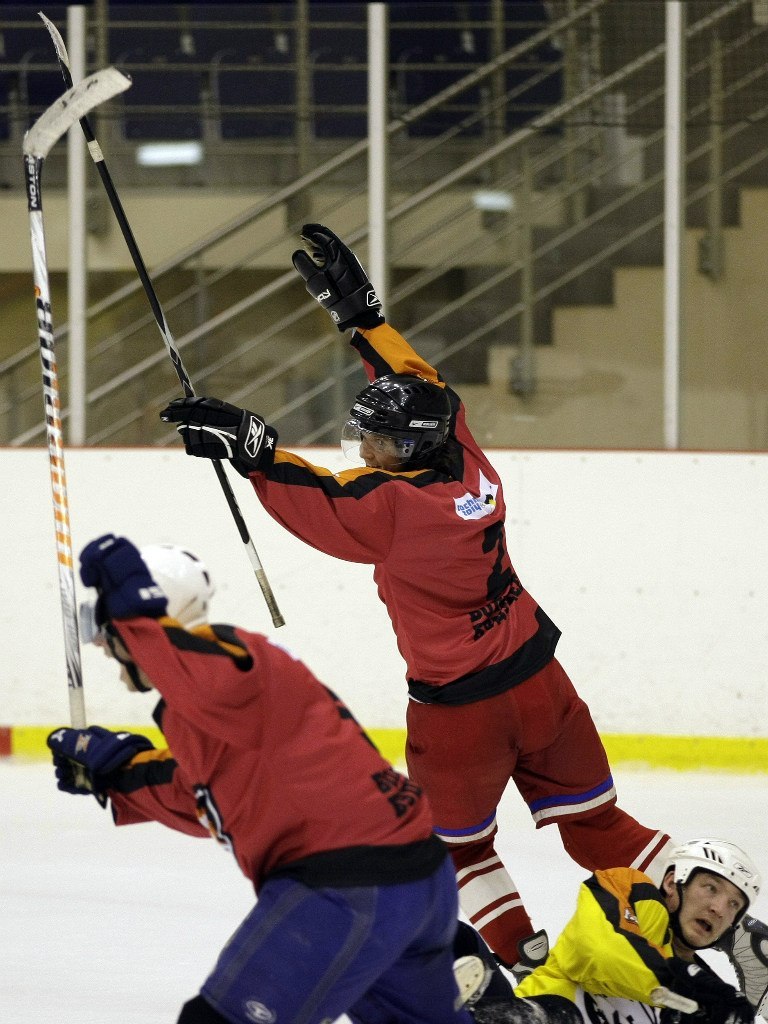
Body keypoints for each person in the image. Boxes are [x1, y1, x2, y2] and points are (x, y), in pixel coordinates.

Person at [158, 224, 768, 1015]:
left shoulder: (396, 510)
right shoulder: (467, 455)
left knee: (454, 849)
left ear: (408, 450)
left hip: (461, 718)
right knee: (599, 825)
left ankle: (518, 958)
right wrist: (360, 315)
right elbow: (416, 376)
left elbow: (320, 500)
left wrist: (251, 444)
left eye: (376, 440)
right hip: (543, 685)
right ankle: (736, 930)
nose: (366, 448)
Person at [47, 533, 475, 1024]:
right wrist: (116, 773)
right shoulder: (217, 705)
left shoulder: (235, 663)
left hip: (346, 890)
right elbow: (203, 794)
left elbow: (204, 679)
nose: (102, 646)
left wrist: (136, 615)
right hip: (414, 882)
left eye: (107, 629)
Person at [463, 838, 760, 1024]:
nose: (720, 909)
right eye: (710, 888)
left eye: (734, 905)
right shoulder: (628, 890)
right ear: (672, 882)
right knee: (459, 940)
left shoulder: (709, 995)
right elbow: (601, 953)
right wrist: (680, 983)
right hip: (538, 1014)